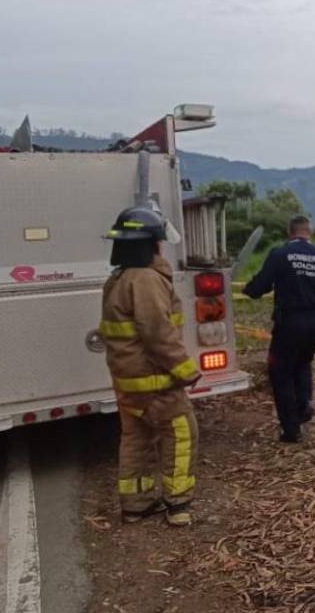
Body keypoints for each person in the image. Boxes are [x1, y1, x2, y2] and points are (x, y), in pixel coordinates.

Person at [98, 205, 200, 526]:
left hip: (129, 382)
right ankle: (178, 503)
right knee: (182, 432)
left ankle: (136, 504)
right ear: (151, 244)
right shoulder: (145, 279)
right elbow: (157, 332)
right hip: (154, 380)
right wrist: (186, 370)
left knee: (137, 438)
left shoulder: (118, 278)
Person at [242, 215, 315, 443]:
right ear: (310, 233)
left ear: (290, 232)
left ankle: (291, 429)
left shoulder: (279, 254)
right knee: (302, 362)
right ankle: (304, 404)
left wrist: (248, 290)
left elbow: (260, 286)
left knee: (280, 372)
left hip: (290, 323)